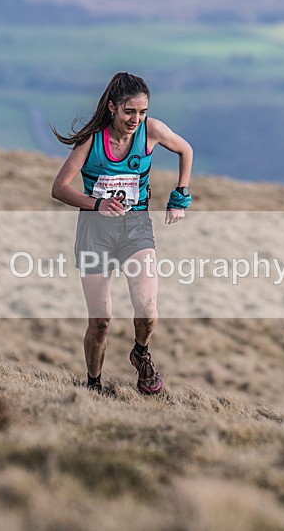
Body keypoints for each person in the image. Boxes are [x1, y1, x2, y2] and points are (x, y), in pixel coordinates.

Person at [51, 72, 193, 395]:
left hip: (135, 225)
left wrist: (179, 198)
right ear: (113, 107)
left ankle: (141, 353)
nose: (136, 119)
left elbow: (186, 151)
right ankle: (94, 386)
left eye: (142, 112)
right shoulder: (91, 141)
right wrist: (96, 204)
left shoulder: (151, 131)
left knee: (147, 308)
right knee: (101, 321)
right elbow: (58, 188)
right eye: (129, 112)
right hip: (95, 231)